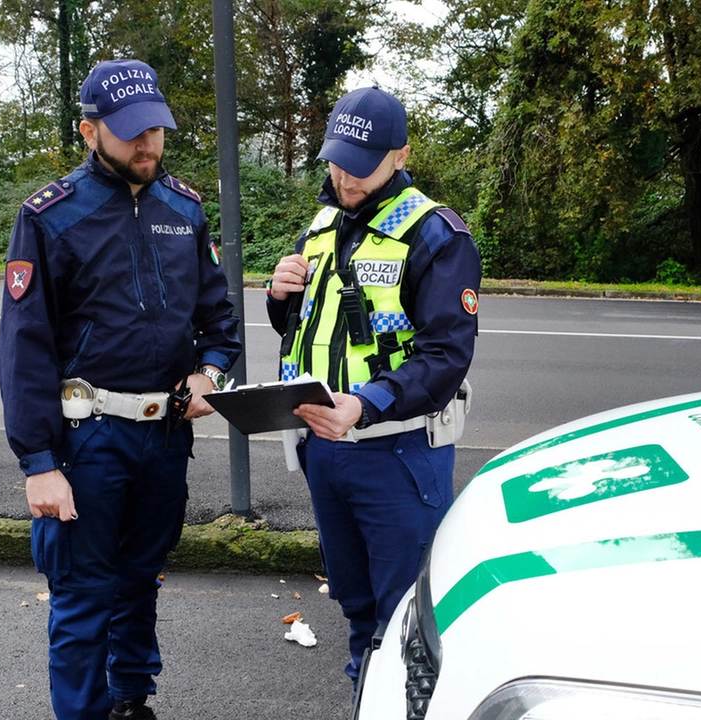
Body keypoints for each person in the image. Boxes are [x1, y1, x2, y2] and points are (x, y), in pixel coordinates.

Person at [0, 58, 241, 720]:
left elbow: (220, 325)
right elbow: (23, 351)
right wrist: (39, 464)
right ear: (89, 131)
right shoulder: (50, 218)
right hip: (88, 439)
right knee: (83, 596)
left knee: (140, 583)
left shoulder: (183, 209)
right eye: (132, 132)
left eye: (156, 130)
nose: (148, 145)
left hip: (164, 439)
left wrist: (208, 374)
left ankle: (132, 702)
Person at [266, 85, 482, 687]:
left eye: (360, 166)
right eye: (336, 160)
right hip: (324, 447)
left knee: (405, 619)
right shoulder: (325, 222)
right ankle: (366, 693)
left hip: (398, 453)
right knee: (357, 608)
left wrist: (365, 405)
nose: (344, 177)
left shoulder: (437, 236)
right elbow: (315, 327)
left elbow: (445, 357)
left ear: (401, 155)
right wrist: (279, 297)